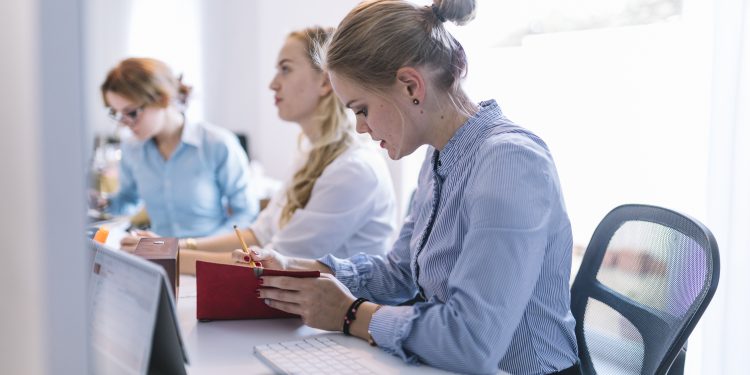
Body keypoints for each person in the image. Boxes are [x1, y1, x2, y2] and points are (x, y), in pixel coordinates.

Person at [233, 1, 581, 374]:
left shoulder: (510, 162)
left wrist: (350, 314)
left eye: (361, 108)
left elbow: (472, 342)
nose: (360, 127)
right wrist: (300, 269)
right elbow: (401, 274)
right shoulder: (438, 158)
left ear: (411, 85)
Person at [132, 27, 397, 275]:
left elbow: (270, 262)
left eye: (285, 69)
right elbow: (259, 235)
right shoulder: (311, 154)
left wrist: (170, 257)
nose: (273, 84)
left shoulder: (352, 169)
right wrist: (175, 246)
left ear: (326, 81)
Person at [99, 57, 259, 240]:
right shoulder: (132, 148)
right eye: (117, 114)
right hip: (158, 258)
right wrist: (101, 202)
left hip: (208, 257)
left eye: (131, 113)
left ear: (162, 99)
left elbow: (246, 214)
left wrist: (196, 249)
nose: (124, 124)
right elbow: (128, 200)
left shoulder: (217, 144)